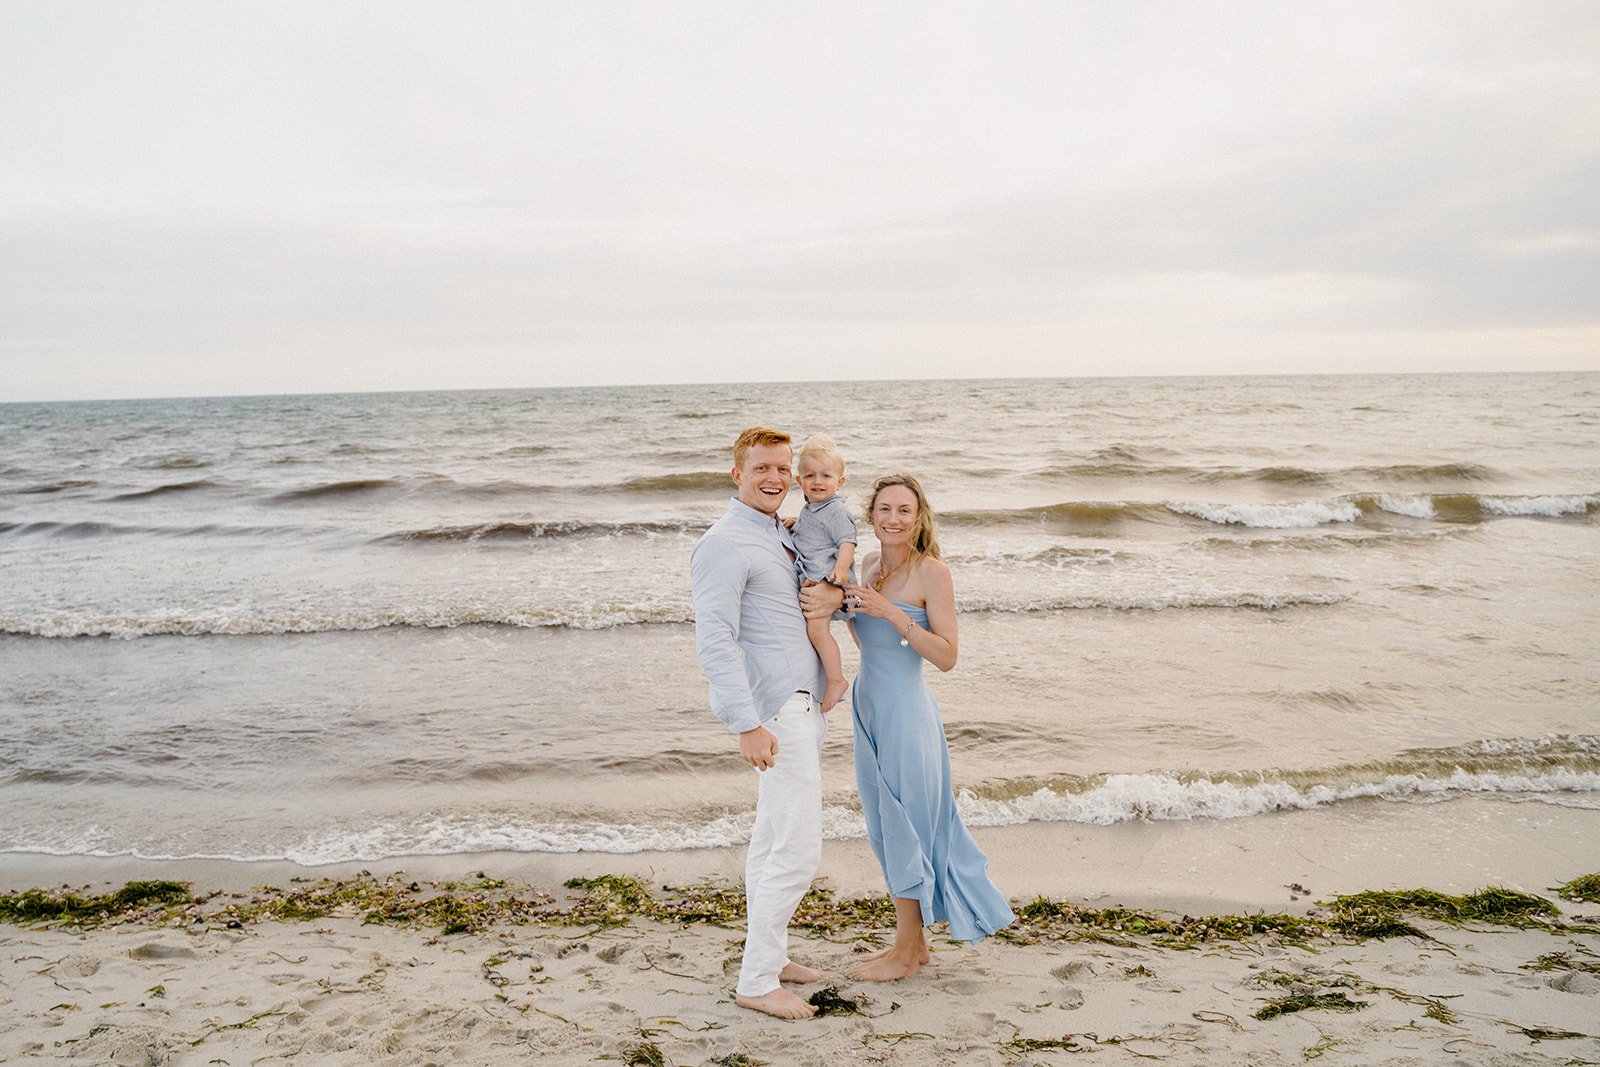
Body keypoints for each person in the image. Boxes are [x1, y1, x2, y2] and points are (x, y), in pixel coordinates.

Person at [689, 426, 844, 1020]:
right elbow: (716, 639)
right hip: (774, 712)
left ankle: (772, 956)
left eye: (783, 468)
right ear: (737, 474)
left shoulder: (778, 534)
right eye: (762, 469)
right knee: (798, 848)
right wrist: (743, 722)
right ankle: (755, 982)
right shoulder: (725, 543)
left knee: (770, 841)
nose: (776, 479)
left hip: (799, 705)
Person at [842, 473, 1015, 981]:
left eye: (903, 510)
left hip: (906, 714)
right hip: (867, 706)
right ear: (870, 513)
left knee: (908, 826)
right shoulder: (867, 566)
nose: (892, 518)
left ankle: (904, 950)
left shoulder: (931, 572)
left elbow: (947, 657)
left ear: (918, 518)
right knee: (880, 826)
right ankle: (913, 945)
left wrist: (894, 616)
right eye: (884, 508)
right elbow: (865, 644)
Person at [789, 434, 857, 713]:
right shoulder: (813, 508)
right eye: (810, 475)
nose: (818, 481)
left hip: (828, 579)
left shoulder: (837, 510)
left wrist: (840, 572)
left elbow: (847, 541)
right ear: (799, 481)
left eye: (826, 476)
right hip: (817, 577)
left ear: (840, 482)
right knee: (813, 630)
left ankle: (836, 679)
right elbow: (815, 534)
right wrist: (796, 525)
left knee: (818, 631)